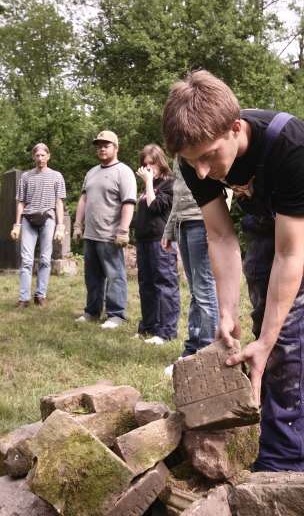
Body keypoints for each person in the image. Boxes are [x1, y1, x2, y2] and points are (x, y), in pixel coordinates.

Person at [162, 69, 304, 473]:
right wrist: (226, 312)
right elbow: (222, 237)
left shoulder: (291, 146)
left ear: (236, 128)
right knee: (269, 325)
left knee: (286, 335)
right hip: (266, 219)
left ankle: (285, 460)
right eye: (193, 162)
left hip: (298, 221)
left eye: (209, 156)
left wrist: (268, 341)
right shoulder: (195, 156)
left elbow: (291, 255)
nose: (203, 172)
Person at [73, 130, 137, 329]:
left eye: (106, 145)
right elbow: (84, 199)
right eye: (99, 145)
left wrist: (123, 230)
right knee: (92, 277)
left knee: (114, 275)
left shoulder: (124, 171)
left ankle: (116, 315)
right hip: (90, 234)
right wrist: (77, 225)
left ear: (115, 148)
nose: (101, 148)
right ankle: (91, 312)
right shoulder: (91, 172)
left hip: (111, 235)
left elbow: (128, 202)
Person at [161, 159, 219, 370]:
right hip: (182, 222)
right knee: (196, 290)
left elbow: (223, 184)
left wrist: (215, 224)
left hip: (202, 220)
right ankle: (192, 350)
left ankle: (208, 353)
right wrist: (169, 228)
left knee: (204, 289)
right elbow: (178, 193)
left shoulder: (205, 141)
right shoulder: (179, 153)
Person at [134, 144, 180, 345]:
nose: (147, 168)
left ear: (160, 163)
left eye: (151, 163)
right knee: (146, 285)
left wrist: (149, 184)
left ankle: (166, 331)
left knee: (165, 285)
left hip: (162, 241)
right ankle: (148, 327)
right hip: (144, 240)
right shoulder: (148, 185)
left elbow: (155, 206)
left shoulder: (169, 184)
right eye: (144, 164)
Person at [11, 143, 66, 308]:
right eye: (37, 155)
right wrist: (17, 224)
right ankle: (24, 298)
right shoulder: (26, 177)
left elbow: (59, 202)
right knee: (26, 260)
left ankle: (40, 295)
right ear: (33, 157)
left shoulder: (57, 176)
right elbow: (21, 202)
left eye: (43, 155)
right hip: (28, 219)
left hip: (48, 219)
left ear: (48, 156)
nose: (40, 158)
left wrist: (60, 226)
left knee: (44, 259)